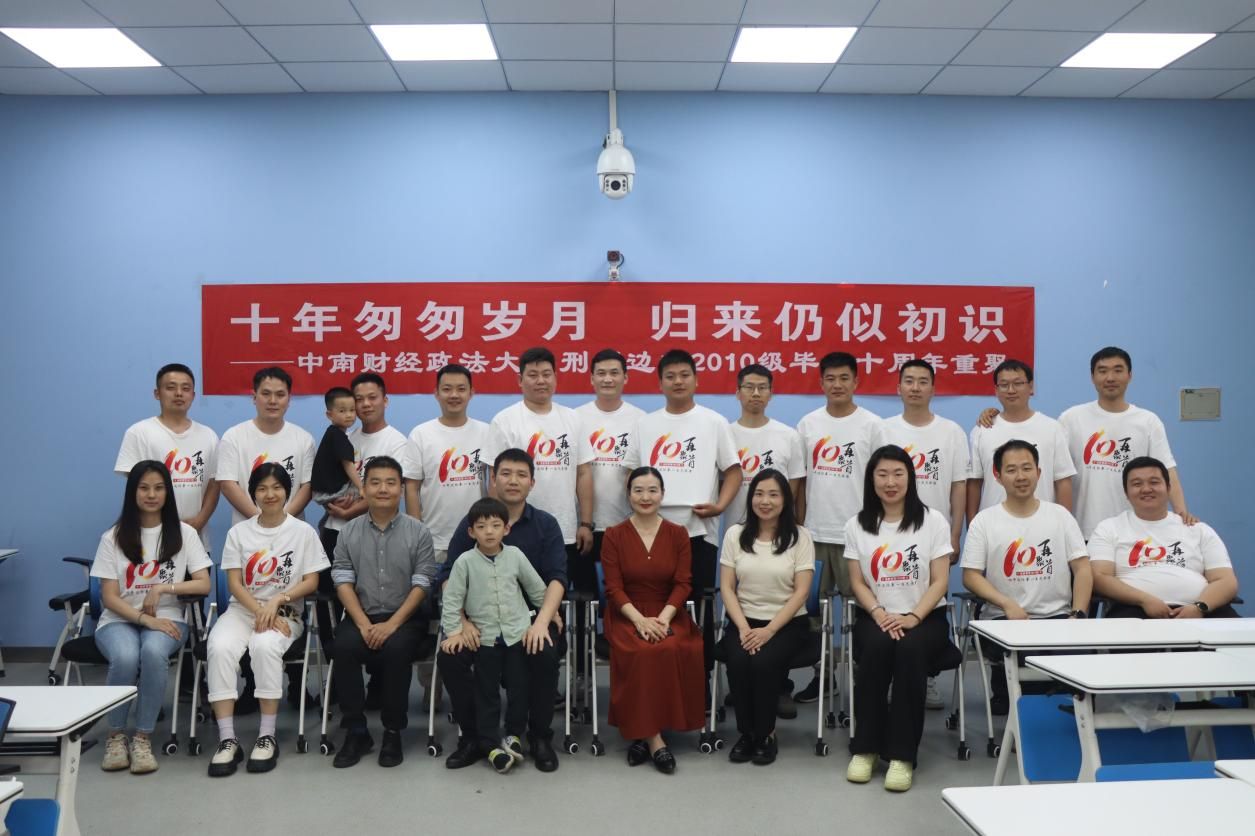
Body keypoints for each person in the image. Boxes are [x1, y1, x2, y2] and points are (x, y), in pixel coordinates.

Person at [439, 449, 568, 773]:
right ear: (493, 479)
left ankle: (538, 737)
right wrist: (462, 623)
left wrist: (543, 620)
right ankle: (474, 738)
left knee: (544, 651)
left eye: (521, 475)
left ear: (532, 482)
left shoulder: (545, 524)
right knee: (451, 657)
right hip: (479, 623)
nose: (513, 481)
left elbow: (555, 579)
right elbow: (448, 578)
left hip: (529, 619)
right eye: (506, 474)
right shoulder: (472, 522)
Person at [623, 349, 741, 682]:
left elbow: (734, 472)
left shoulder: (713, 422)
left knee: (699, 608)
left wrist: (720, 506)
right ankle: (659, 678)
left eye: (684, 375)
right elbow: (630, 474)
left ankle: (700, 682)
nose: (678, 381)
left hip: (699, 532)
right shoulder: (645, 424)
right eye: (670, 376)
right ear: (660, 383)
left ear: (696, 380)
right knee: (656, 605)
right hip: (651, 534)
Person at [206, 463, 327, 777]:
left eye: (276, 487)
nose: (269, 494)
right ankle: (227, 739)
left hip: (286, 613)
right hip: (242, 611)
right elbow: (234, 583)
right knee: (219, 647)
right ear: (253, 494)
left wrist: (276, 601)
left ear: (287, 491)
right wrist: (260, 610)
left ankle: (266, 735)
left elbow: (311, 581)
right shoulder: (238, 533)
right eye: (262, 489)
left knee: (264, 647)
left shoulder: (303, 532)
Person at [844, 445, 953, 793]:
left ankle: (902, 756)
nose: (890, 482)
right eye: (882, 474)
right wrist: (879, 613)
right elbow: (857, 582)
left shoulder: (933, 521)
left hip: (926, 617)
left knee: (909, 651)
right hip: (876, 615)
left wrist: (914, 616)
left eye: (897, 474)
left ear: (910, 477)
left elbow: (940, 581)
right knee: (876, 650)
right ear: (871, 479)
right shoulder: (857, 525)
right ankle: (866, 749)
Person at [92, 461, 212, 774]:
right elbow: (109, 597)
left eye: (159, 488)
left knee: (153, 651)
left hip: (169, 616)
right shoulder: (112, 537)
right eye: (143, 488)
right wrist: (144, 619)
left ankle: (142, 738)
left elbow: (203, 583)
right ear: (132, 492)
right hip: (118, 620)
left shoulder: (185, 533)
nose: (151, 494)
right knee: (125, 655)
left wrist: (163, 588)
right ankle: (116, 736)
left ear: (168, 493)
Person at [960, 440, 1093, 715]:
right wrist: (1006, 603)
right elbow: (970, 576)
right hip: (1004, 620)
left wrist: (1078, 614)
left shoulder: (1060, 516)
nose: (1020, 476)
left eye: (1026, 468)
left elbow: (1082, 568)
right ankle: (1032, 723)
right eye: (1011, 470)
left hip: (1058, 617)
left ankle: (1050, 720)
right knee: (1030, 659)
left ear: (1038, 472)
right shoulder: (984, 521)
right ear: (998, 476)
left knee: (1082, 659)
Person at [874, 358, 969, 710]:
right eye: (909, 381)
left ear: (933, 388)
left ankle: (925, 677)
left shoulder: (951, 432)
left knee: (927, 605)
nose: (915, 387)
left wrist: (955, 534)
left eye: (923, 381)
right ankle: (886, 677)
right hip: (887, 536)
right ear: (898, 387)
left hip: (933, 538)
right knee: (891, 603)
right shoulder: (883, 430)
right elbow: (872, 482)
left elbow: (958, 486)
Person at [331, 456, 436, 768]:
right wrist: (363, 624)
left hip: (405, 618)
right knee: (343, 647)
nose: (383, 489)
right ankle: (356, 731)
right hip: (361, 615)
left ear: (401, 489)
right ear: (363, 489)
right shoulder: (348, 532)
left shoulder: (418, 532)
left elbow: (422, 583)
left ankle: (393, 731)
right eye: (375, 482)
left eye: (391, 483)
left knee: (396, 650)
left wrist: (392, 624)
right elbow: (342, 580)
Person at [602, 467, 705, 775]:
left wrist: (661, 619)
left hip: (668, 612)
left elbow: (683, 583)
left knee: (672, 647)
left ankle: (642, 736)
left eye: (652, 490)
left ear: (662, 494)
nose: (645, 497)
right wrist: (639, 621)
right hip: (627, 613)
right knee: (641, 650)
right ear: (628, 495)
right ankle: (656, 741)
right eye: (638, 490)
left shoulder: (678, 534)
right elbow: (613, 588)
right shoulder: (613, 535)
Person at [793, 351, 880, 703]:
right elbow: (800, 482)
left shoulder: (872, 425)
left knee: (862, 612)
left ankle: (863, 678)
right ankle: (823, 676)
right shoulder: (808, 424)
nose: (837, 384)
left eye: (844, 378)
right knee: (816, 615)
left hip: (860, 536)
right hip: (815, 534)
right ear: (821, 382)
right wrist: (799, 528)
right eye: (830, 378)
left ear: (856, 381)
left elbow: (882, 480)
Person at [719, 469, 814, 766]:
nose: (765, 501)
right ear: (751, 498)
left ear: (785, 500)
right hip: (743, 621)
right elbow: (727, 587)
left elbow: (801, 592)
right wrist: (743, 628)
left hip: (787, 624)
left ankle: (766, 735)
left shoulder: (800, 537)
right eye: (759, 494)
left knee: (762, 662)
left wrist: (769, 630)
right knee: (737, 660)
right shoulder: (735, 534)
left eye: (774, 494)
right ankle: (747, 734)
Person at [1058, 347, 1195, 538]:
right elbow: (1058, 475)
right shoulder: (1071, 419)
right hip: (1083, 531)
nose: (1110, 378)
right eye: (1102, 371)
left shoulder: (1148, 421)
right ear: (1092, 377)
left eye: (1118, 370)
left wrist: (1181, 514)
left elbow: (1167, 470)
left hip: (1134, 531)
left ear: (1130, 375)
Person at [485, 346, 594, 578]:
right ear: (520, 380)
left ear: (555, 377)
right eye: (533, 375)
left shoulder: (574, 419)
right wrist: (496, 525)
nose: (541, 381)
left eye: (546, 374)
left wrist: (585, 523)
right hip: (515, 529)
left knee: (558, 591)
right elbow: (495, 479)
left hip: (565, 529)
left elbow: (583, 473)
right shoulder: (504, 421)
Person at [1089, 456, 1239, 619]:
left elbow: (1226, 580)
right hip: (1134, 609)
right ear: (1126, 493)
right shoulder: (1109, 528)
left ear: (1168, 488)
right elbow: (1100, 577)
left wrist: (1200, 607)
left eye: (1154, 482)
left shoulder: (1198, 529)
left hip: (1202, 609)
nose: (1146, 489)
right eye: (1137, 484)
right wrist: (1144, 600)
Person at [574, 349, 645, 687]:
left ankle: (631, 676)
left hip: (627, 528)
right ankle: (581, 676)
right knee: (583, 601)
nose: (607, 379)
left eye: (614, 372)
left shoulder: (640, 420)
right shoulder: (576, 419)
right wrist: (585, 523)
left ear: (625, 377)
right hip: (584, 528)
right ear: (591, 378)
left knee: (625, 602)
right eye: (601, 373)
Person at [115, 363, 220, 549]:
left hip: (196, 538)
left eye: (185, 388)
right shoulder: (139, 433)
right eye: (171, 387)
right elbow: (135, 486)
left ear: (193, 395)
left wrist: (200, 521)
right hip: (151, 538)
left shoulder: (209, 436)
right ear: (157, 393)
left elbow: (214, 484)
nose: (179, 393)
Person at [967, 359, 1075, 523]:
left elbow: (1063, 481)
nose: (1011, 390)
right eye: (1004, 385)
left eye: (1018, 383)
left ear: (1030, 387)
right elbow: (975, 483)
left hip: (1043, 524)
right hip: (994, 526)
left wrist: (1064, 525)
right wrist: (972, 526)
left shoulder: (1052, 428)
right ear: (996, 390)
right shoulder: (982, 430)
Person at [404, 364, 489, 565]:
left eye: (461, 389)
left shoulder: (486, 432)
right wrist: (417, 534)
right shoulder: (421, 434)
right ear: (436, 393)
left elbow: (494, 483)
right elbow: (411, 488)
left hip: (479, 538)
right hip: (433, 541)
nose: (454, 395)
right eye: (447, 389)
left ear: (471, 393)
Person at [216, 366, 315, 526]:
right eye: (266, 394)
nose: (273, 401)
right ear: (254, 397)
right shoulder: (233, 436)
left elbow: (308, 486)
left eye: (280, 395)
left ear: (289, 399)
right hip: (247, 529)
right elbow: (228, 484)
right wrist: (261, 520)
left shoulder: (304, 439)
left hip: (291, 529)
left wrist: (282, 520)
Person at [311, 386, 364, 556]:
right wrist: (361, 488)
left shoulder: (333, 434)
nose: (349, 415)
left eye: (352, 410)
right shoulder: (338, 436)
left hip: (322, 492)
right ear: (329, 414)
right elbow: (348, 465)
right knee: (369, 494)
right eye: (342, 411)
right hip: (330, 493)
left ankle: (324, 525)